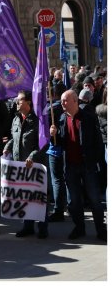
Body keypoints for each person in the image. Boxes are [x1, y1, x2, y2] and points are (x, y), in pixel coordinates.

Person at [50, 89, 106, 241]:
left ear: (75, 101)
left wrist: (94, 161)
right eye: (62, 100)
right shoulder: (61, 119)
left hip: (87, 166)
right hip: (70, 166)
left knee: (94, 199)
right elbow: (60, 143)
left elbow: (98, 143)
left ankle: (101, 230)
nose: (62, 103)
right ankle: (79, 228)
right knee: (74, 201)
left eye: (65, 100)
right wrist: (53, 136)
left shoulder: (88, 118)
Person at [3, 91, 49, 239]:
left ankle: (42, 227)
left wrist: (32, 157)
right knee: (25, 197)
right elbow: (14, 138)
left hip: (35, 165)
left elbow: (42, 144)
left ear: (29, 102)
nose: (17, 102)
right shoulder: (15, 119)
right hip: (20, 165)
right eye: (16, 99)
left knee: (38, 197)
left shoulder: (38, 120)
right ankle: (27, 226)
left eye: (20, 100)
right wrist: (8, 147)